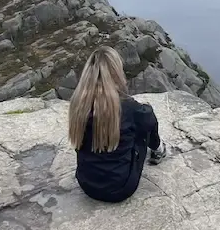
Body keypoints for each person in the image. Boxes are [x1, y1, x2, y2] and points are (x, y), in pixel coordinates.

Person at [68, 46, 169, 202]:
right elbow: (148, 120)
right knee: (145, 119)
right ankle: (158, 150)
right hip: (121, 188)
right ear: (116, 72)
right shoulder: (128, 107)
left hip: (86, 184)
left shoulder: (78, 104)